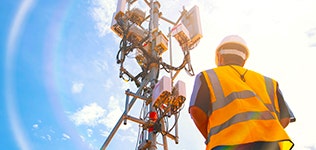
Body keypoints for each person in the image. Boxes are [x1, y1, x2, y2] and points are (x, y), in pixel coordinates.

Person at [189, 35, 296, 150]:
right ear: (244, 60)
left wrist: (212, 137)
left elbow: (196, 110)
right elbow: (285, 118)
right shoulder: (269, 82)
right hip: (270, 146)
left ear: (220, 57)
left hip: (228, 144)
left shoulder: (208, 76)